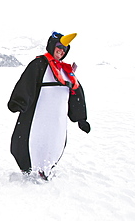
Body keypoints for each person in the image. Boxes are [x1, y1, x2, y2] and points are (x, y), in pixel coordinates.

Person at [7, 32, 90, 180]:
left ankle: (46, 169)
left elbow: (76, 93)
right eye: (59, 46)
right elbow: (27, 82)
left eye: (65, 48)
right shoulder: (39, 64)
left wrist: (80, 118)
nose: (61, 51)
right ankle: (29, 170)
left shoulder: (66, 71)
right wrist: (19, 101)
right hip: (38, 116)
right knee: (32, 141)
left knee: (54, 143)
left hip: (57, 120)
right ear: (52, 46)